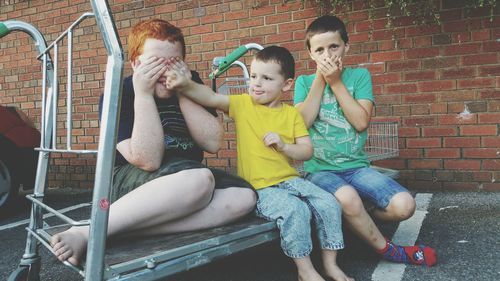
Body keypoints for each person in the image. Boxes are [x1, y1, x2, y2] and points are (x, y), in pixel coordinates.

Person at [50, 19, 257, 265]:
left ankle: (117, 231)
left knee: (244, 198)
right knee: (199, 181)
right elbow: (147, 160)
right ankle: (86, 231)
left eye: (173, 63)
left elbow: (212, 143)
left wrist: (184, 90)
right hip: (132, 181)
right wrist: (144, 94)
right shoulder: (119, 93)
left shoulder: (191, 83)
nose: (165, 71)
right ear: (136, 64)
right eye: (155, 62)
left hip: (185, 180)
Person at [167, 46, 353, 281]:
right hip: (260, 188)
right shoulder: (243, 105)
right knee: (295, 210)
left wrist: (285, 146)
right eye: (253, 76)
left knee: (328, 202)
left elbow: (306, 151)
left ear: (286, 84)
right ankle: (305, 270)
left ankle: (331, 264)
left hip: (291, 180)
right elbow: (210, 97)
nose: (256, 83)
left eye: (266, 78)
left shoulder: (291, 114)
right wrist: (185, 84)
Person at [294, 15, 436, 266]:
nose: (327, 55)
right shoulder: (304, 83)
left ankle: (358, 220)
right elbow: (301, 123)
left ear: (346, 46)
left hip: (357, 167)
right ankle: (390, 251)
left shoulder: (359, 77)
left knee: (405, 206)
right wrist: (320, 78)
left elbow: (360, 122)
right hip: (319, 170)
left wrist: (336, 82)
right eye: (319, 50)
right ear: (310, 54)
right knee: (348, 197)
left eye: (334, 47)